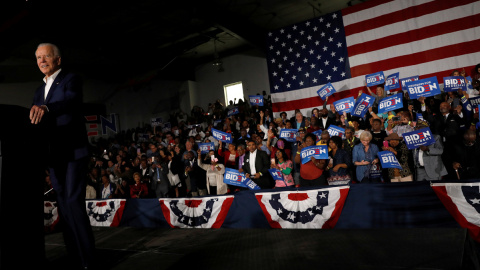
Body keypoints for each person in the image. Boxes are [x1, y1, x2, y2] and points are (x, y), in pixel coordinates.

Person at [30, 43, 95, 269]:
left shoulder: (70, 80)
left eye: (46, 56)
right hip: (54, 156)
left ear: (57, 59)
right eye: (38, 58)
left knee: (73, 203)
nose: (42, 61)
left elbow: (70, 102)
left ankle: (88, 260)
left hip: (73, 152)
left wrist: (47, 109)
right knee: (64, 208)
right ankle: (75, 258)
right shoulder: (39, 91)